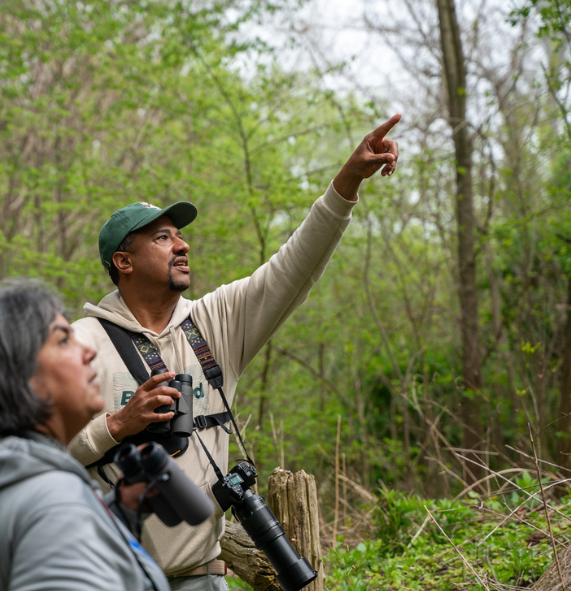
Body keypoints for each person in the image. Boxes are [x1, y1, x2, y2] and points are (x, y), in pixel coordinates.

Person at [68, 114, 402, 589]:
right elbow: (37, 456)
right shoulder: (80, 342)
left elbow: (293, 266)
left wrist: (346, 182)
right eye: (162, 238)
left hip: (204, 578)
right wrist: (116, 426)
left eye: (179, 235)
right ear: (123, 261)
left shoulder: (213, 324)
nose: (182, 245)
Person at [0, 282, 170, 591]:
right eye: (64, 340)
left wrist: (117, 512)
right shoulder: (55, 503)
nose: (88, 351)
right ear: (21, 378)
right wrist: (73, 511)